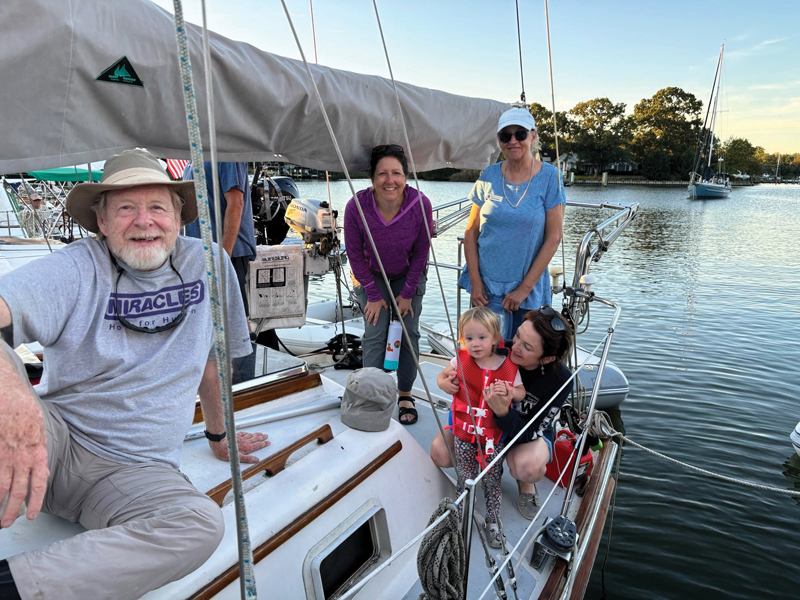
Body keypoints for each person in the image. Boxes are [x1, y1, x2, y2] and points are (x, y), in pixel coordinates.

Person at [0, 148, 269, 600]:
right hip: (55, 443)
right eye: (126, 207)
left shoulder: (210, 265)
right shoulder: (77, 266)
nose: (143, 221)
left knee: (200, 524)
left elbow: (210, 361)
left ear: (180, 216)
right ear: (102, 222)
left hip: (136, 476)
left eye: (157, 207)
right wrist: (17, 402)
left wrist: (219, 437)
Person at [430, 308, 574, 520]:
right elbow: (460, 365)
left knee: (527, 467)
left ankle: (525, 484)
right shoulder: (494, 347)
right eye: (517, 335)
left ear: (546, 359)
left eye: (526, 346)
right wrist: (446, 381)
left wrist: (502, 411)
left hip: (524, 434)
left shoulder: (560, 380)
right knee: (440, 453)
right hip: (480, 427)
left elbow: (532, 431)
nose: (514, 346)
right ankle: (479, 463)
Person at [458, 107, 566, 341]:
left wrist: (524, 290)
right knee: (485, 356)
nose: (513, 141)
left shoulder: (550, 178)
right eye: (505, 136)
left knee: (525, 355)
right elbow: (471, 232)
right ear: (498, 140)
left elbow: (554, 237)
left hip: (528, 290)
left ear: (533, 136)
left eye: (520, 134)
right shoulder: (488, 175)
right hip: (486, 290)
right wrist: (476, 282)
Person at [344, 144, 433, 425]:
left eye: (396, 173)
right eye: (382, 173)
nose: (389, 180)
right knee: (375, 332)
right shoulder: (356, 207)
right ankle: (373, 392)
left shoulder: (420, 204)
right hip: (372, 276)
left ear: (405, 177)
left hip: (409, 275)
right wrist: (372, 294)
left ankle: (405, 393)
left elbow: (421, 253)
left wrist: (407, 294)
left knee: (409, 333)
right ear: (372, 178)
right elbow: (354, 255)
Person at [436, 308, 524, 548]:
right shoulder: (459, 360)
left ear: (495, 338)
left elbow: (520, 391)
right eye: (469, 338)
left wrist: (510, 392)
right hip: (464, 435)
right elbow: (441, 377)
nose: (475, 344)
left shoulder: (508, 367)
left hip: (492, 438)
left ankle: (492, 520)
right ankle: (459, 515)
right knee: (464, 476)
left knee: (492, 478)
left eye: (482, 338)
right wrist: (445, 384)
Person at [183, 161, 257, 315]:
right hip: (200, 254)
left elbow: (237, 202)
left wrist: (223, 257)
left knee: (234, 320)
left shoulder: (225, 151)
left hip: (227, 255)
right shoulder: (193, 154)